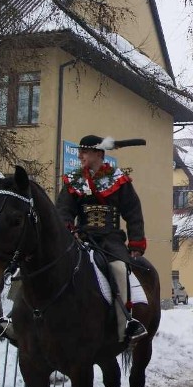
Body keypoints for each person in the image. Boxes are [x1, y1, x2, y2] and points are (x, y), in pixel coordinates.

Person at [56, 135, 149, 342]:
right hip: (81, 238)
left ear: (98, 153)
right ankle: (17, 320)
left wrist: (136, 243)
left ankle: (125, 324)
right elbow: (63, 210)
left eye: (85, 152)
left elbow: (133, 212)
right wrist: (66, 227)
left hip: (110, 239)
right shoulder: (74, 180)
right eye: (80, 152)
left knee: (118, 269)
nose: (80, 155)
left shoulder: (119, 180)